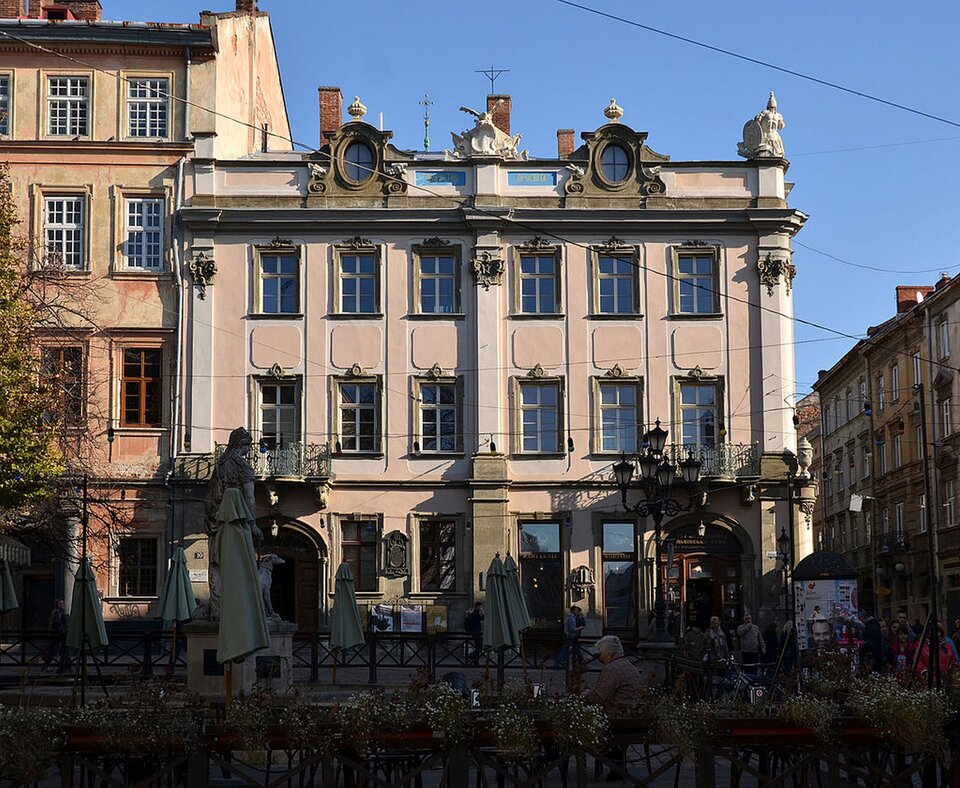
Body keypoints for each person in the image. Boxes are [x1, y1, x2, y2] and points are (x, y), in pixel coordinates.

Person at [582, 635, 643, 782]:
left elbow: (599, 697)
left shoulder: (611, 669)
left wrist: (587, 694)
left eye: (601, 654)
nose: (600, 657)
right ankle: (617, 764)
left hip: (617, 719)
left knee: (581, 728)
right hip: (634, 716)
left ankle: (615, 763)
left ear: (608, 653)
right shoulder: (629, 665)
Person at [43, 599, 68, 671]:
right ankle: (47, 665)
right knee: (54, 650)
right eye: (61, 604)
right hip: (57, 635)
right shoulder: (58, 612)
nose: (63, 605)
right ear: (58, 605)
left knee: (59, 650)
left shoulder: (56, 612)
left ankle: (64, 666)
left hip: (55, 634)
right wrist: (62, 630)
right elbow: (57, 624)